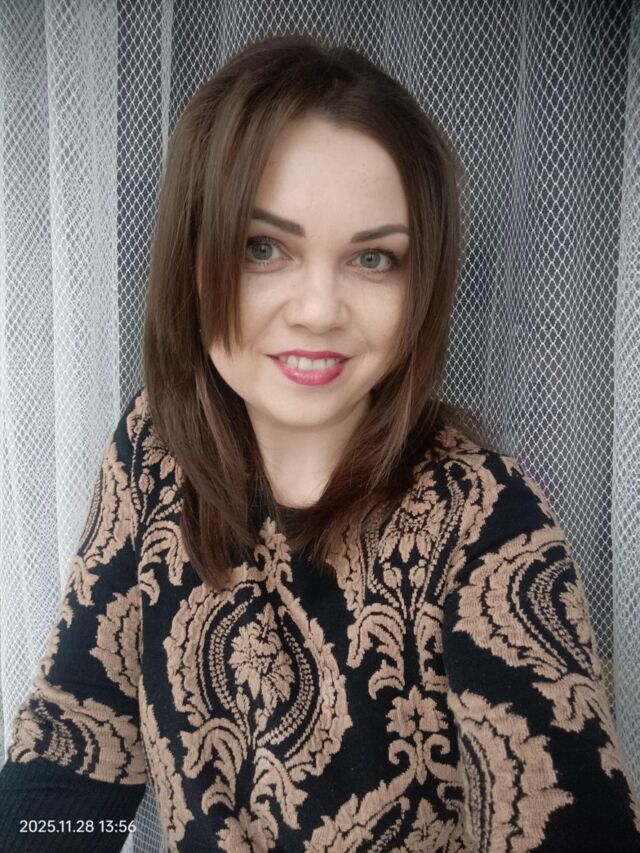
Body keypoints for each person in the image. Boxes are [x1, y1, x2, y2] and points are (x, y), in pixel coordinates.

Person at [1, 31, 639, 853]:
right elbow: (73, 755)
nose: (317, 309)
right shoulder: (154, 450)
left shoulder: (486, 520)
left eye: (373, 258)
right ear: (192, 258)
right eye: (263, 248)